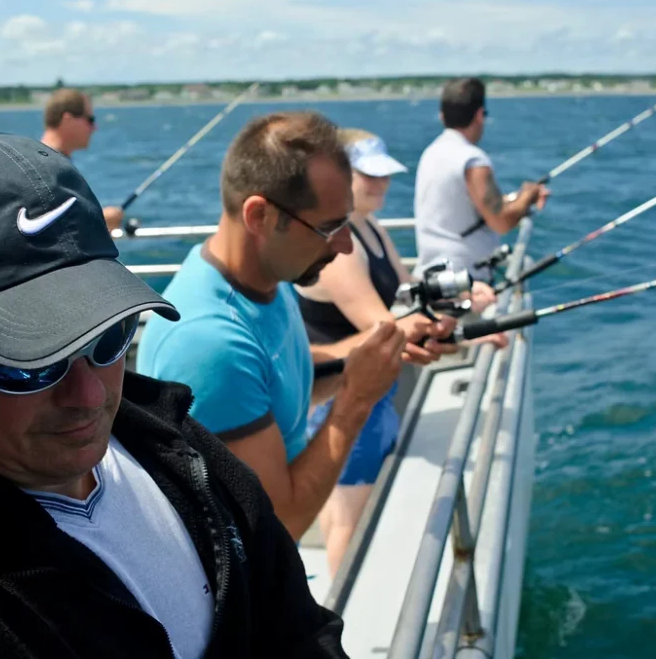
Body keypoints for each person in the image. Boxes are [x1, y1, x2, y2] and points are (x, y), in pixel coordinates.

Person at [0, 128, 350, 658]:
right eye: (26, 362)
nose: (88, 395)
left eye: (109, 336)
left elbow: (295, 628)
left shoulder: (166, 435)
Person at [136, 111, 458, 542]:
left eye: (347, 224)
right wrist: (355, 400)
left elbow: (281, 379)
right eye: (329, 228)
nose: (345, 246)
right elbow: (280, 524)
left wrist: (372, 357)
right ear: (260, 217)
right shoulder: (210, 344)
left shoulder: (265, 281)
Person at [293, 129, 506, 575]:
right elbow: (385, 327)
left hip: (376, 397)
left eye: (384, 176)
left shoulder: (369, 227)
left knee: (343, 514)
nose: (380, 185)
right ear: (340, 177)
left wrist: (464, 306)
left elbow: (411, 296)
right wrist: (460, 331)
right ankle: (345, 625)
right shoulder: (340, 248)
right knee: (349, 524)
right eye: (368, 177)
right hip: (344, 400)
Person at [413, 76, 550, 281]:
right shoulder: (472, 160)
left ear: (443, 116)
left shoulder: (432, 152)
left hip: (433, 274)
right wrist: (528, 196)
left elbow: (469, 206)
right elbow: (501, 221)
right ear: (479, 114)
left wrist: (518, 198)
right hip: (463, 281)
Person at [39, 87, 124, 233]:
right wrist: (100, 220)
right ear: (68, 120)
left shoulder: (46, 160)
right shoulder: (49, 167)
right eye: (90, 120)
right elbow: (52, 226)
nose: (94, 128)